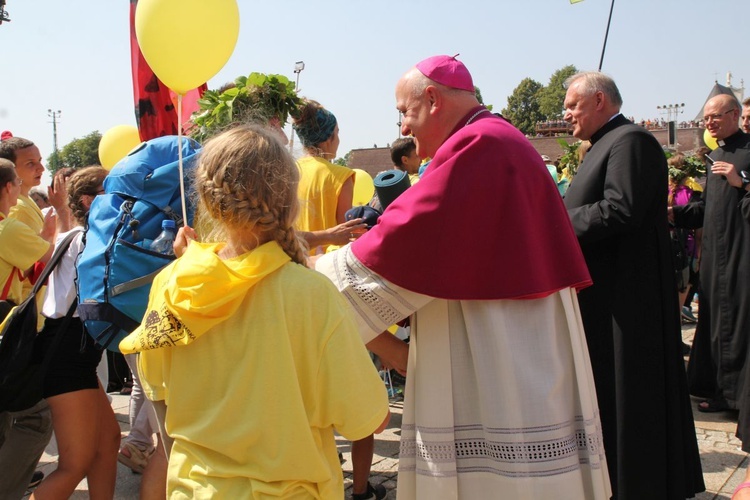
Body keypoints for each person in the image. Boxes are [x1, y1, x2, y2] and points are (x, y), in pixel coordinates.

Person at [316, 55, 611, 499]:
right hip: (517, 333)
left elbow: (401, 241)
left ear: (432, 98)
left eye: (404, 112)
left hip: (496, 342)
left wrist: (315, 273)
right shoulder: (495, 138)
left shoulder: (477, 147)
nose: (403, 129)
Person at [119, 125, 390, 499]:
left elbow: (157, 394)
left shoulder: (171, 283)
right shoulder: (311, 294)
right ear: (290, 201)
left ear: (209, 200)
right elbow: (369, 418)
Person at [562, 71, 704, 499]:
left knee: (631, 396)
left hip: (628, 298)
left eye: (572, 104)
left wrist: (557, 222)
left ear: (599, 100)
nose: (565, 113)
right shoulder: (601, 145)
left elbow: (620, 210)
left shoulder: (631, 142)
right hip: (604, 294)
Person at [30, 166, 121, 498]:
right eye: (109, 192)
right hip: (66, 355)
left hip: (75, 355)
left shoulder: (81, 238)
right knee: (75, 462)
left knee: (108, 441)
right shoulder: (85, 240)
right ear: (87, 200)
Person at [672, 95, 750, 419]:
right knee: (716, 322)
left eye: (715, 117)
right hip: (715, 258)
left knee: (737, 324)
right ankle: (715, 387)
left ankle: (734, 398)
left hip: (741, 255)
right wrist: (673, 214)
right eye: (705, 119)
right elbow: (705, 208)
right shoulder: (715, 155)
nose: (709, 124)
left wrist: (742, 181)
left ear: (734, 114)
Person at [0, 158, 57, 500]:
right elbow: (50, 264)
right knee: (35, 417)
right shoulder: (8, 228)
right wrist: (51, 232)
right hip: (6, 333)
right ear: (9, 187)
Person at [293, 100, 356, 253]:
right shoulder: (341, 176)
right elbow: (346, 235)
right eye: (337, 132)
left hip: (291, 262)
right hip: (326, 266)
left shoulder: (287, 172)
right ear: (329, 138)